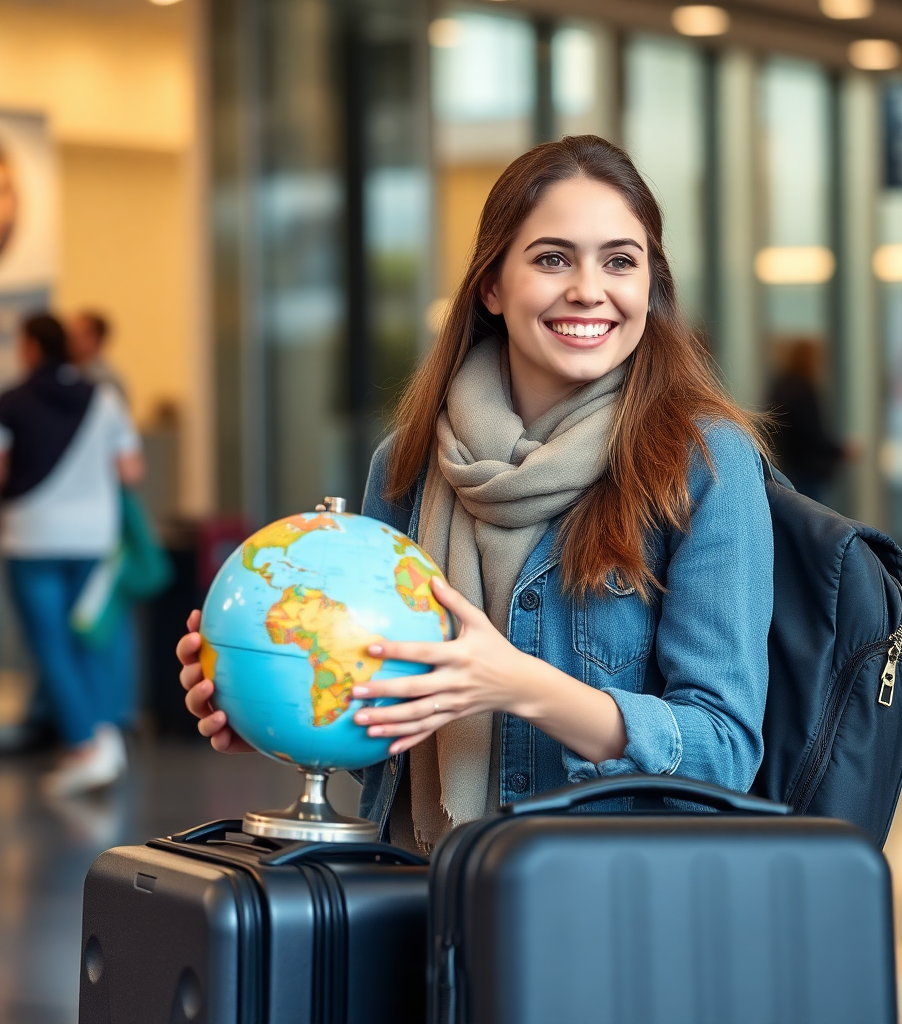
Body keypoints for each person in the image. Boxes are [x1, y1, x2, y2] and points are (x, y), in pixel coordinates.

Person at [178, 135, 774, 855]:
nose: (590, 289)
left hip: (592, 905)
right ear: (492, 285)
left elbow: (723, 750)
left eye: (621, 260)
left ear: (651, 284)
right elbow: (391, 711)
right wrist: (274, 700)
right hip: (412, 890)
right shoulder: (407, 462)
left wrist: (521, 687)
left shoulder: (702, 463)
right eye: (552, 258)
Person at [0, 313, 143, 795]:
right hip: (94, 540)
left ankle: (85, 746)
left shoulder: (12, 400)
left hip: (32, 537)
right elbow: (131, 469)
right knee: (89, 637)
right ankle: (104, 738)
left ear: (31, 347)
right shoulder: (102, 397)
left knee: (51, 644)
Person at [767, 338, 845, 504]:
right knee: (815, 522)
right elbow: (811, 434)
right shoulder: (805, 390)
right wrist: (840, 450)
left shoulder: (780, 387)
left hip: (783, 468)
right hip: (807, 469)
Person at [66, 310, 128, 398]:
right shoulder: (67, 369)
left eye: (75, 336)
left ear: (95, 340)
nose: (69, 341)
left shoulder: (106, 380)